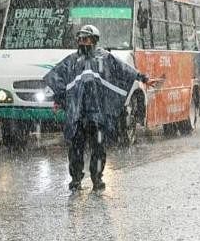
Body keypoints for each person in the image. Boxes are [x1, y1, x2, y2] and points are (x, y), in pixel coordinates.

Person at [44, 25, 159, 192]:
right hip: (77, 115)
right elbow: (60, 80)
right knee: (75, 149)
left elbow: (124, 70)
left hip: (97, 115)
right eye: (80, 39)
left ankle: (97, 179)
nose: (82, 42)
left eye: (86, 39)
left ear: (94, 40)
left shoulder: (105, 58)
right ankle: (76, 179)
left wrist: (143, 78)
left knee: (98, 148)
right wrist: (59, 100)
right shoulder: (71, 60)